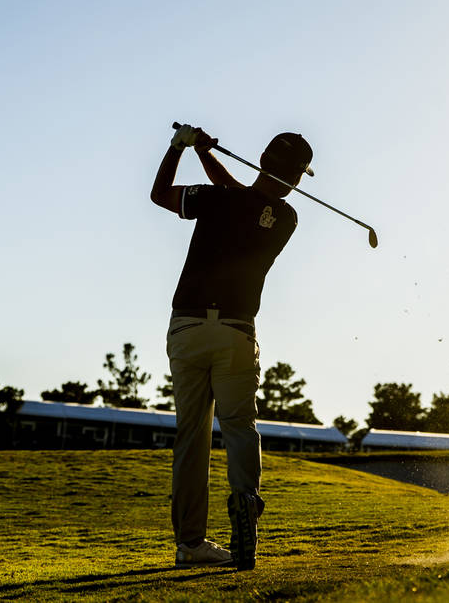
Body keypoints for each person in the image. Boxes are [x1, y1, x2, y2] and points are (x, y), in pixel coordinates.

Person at [150, 123, 313, 570]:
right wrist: (204, 153)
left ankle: (190, 543)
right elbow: (246, 198)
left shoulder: (216, 200)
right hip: (237, 332)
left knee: (191, 436)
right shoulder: (284, 219)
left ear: (262, 160)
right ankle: (245, 502)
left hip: (187, 328)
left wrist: (180, 148)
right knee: (239, 426)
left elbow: (160, 194)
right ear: (297, 179)